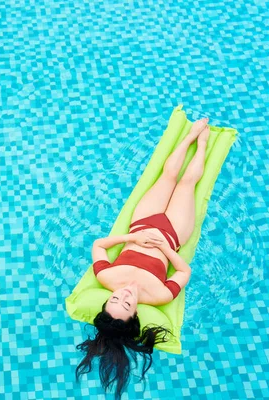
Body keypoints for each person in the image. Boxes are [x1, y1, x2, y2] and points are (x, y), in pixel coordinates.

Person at [75, 117, 211, 399]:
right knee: (187, 183)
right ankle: (202, 144)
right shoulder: (158, 296)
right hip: (173, 232)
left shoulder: (108, 278)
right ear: (135, 313)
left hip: (141, 224)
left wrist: (131, 239)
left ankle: (187, 137)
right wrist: (167, 251)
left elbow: (99, 245)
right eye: (126, 303)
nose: (122, 294)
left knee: (167, 176)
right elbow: (184, 273)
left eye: (114, 299)